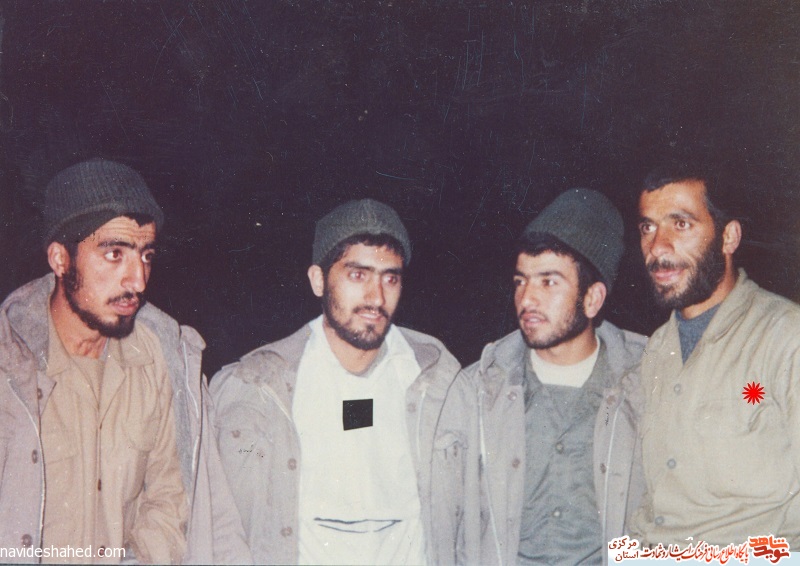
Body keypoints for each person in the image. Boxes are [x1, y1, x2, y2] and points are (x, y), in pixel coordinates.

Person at [0, 158, 250, 564]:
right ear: (60, 259)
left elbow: (172, 499)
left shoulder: (160, 360)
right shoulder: (10, 368)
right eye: (114, 254)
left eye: (146, 256)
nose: (138, 280)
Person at [211, 198, 475, 565]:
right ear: (318, 280)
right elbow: (218, 522)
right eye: (357, 275)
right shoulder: (257, 388)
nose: (376, 297)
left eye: (390, 278)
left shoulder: (439, 381)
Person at [463, 189, 646, 564]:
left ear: (592, 299)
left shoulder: (644, 386)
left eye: (548, 282)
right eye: (520, 281)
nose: (527, 299)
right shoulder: (478, 390)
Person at [630, 163, 800, 547]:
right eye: (648, 227)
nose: (657, 247)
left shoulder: (785, 336)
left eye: (681, 224)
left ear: (729, 237)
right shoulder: (656, 350)